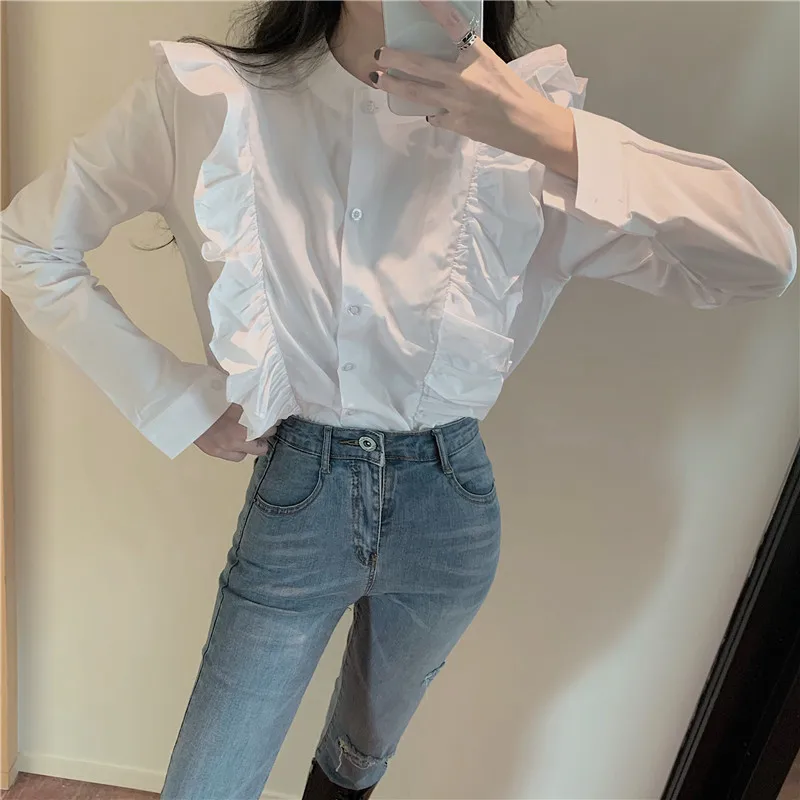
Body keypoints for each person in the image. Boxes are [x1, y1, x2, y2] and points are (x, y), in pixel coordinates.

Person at [1, 1, 796, 798]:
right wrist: (178, 401)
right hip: (299, 498)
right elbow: (27, 243)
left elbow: (760, 261)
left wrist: (548, 134)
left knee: (357, 760)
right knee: (207, 784)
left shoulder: (528, 140)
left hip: (450, 509)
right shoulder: (212, 97)